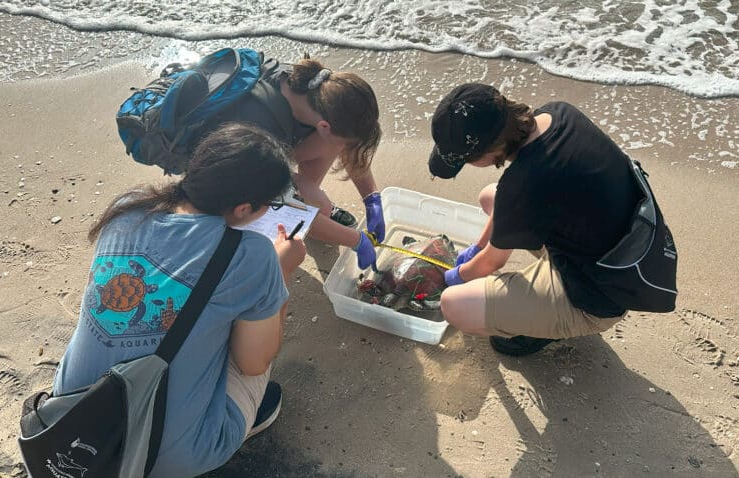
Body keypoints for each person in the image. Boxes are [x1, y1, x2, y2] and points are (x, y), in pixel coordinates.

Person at [52, 123, 306, 477]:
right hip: (162, 457)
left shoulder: (129, 208)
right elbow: (253, 363)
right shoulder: (252, 254)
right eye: (270, 204)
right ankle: (239, 420)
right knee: (253, 336)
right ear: (244, 208)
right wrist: (280, 275)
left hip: (68, 424)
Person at [428, 83, 641, 357]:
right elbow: (510, 208)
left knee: (454, 305)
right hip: (617, 254)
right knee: (491, 196)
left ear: (487, 154)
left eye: (466, 161)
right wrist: (478, 247)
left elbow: (493, 262)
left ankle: (540, 329)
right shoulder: (559, 114)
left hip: (596, 299)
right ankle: (543, 300)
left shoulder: (524, 183)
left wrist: (453, 277)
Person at [198, 51, 385, 271]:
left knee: (334, 148)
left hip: (261, 148)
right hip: (218, 168)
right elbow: (287, 207)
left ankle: (308, 206)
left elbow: (348, 139)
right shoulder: (259, 132)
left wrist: (371, 198)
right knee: (309, 206)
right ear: (324, 126)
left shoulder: (317, 91)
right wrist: (356, 240)